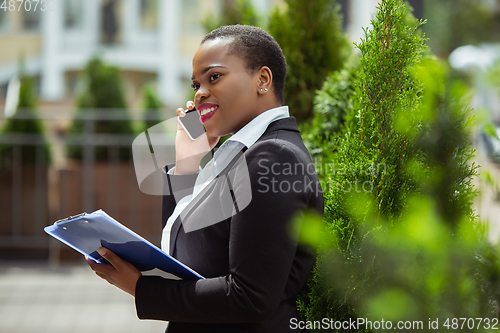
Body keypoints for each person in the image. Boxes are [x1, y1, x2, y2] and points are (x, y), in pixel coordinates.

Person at [87, 24, 324, 332]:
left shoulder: (272, 157)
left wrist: (140, 289)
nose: (200, 93)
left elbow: (250, 296)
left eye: (214, 77)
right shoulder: (240, 153)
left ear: (262, 80)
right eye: (195, 84)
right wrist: (187, 163)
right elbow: (191, 254)